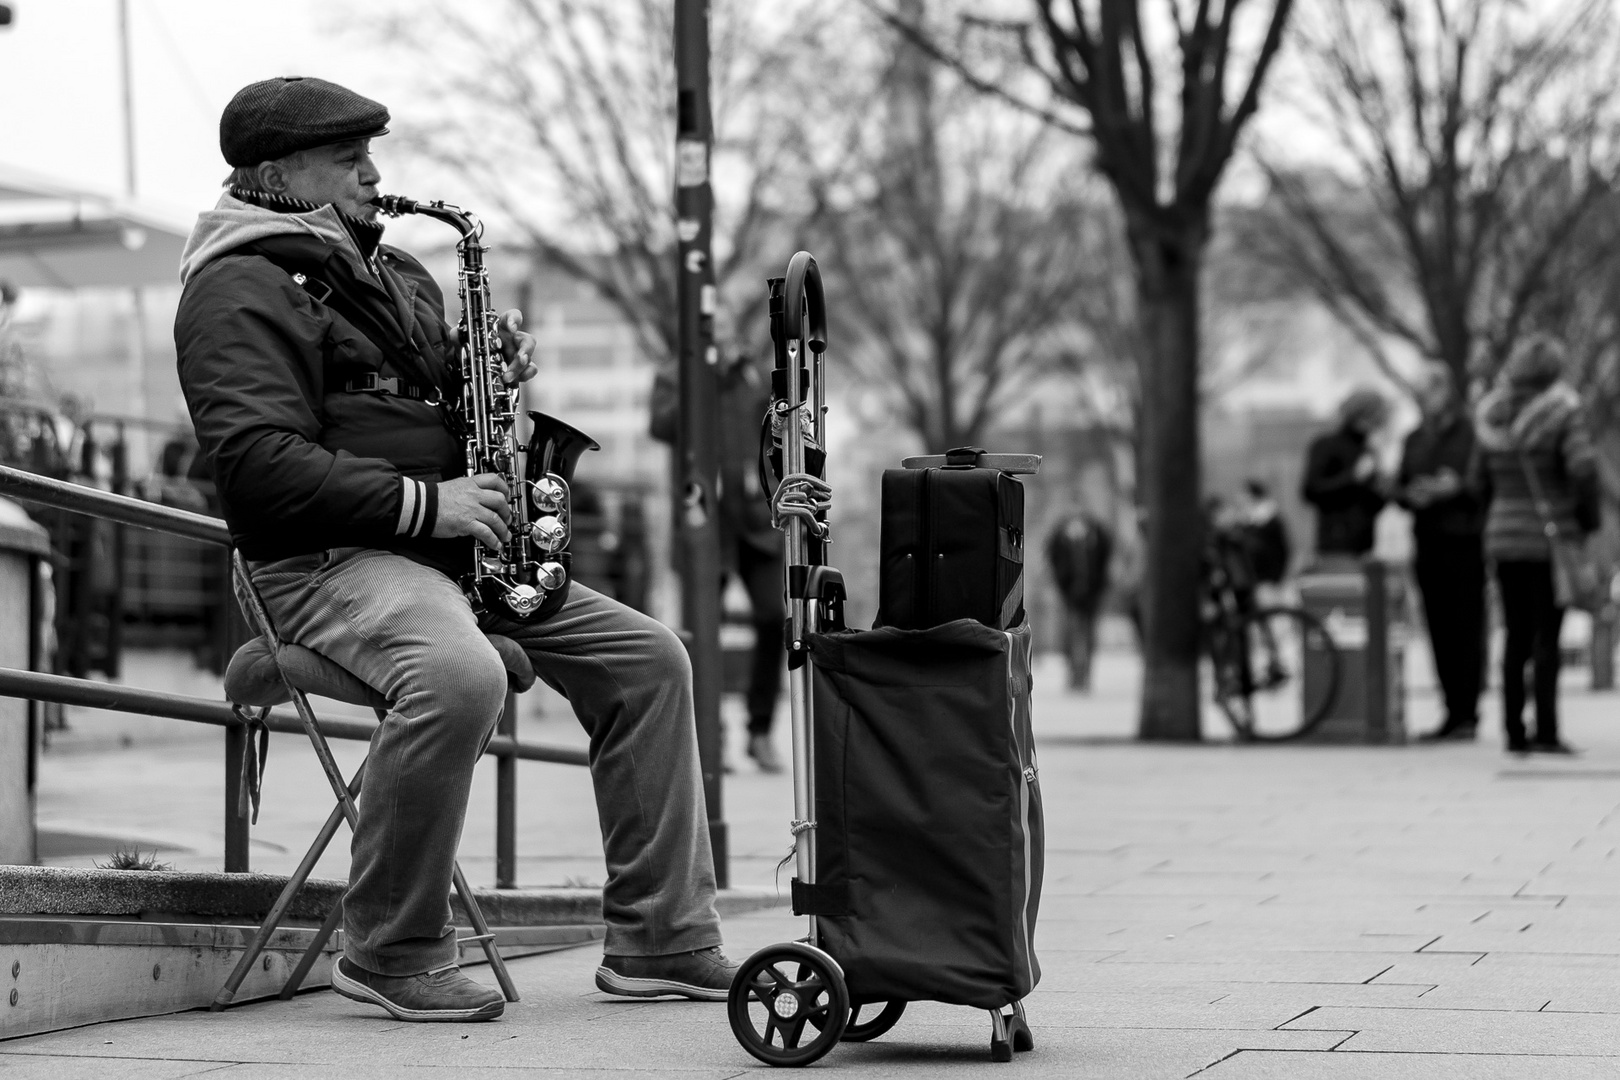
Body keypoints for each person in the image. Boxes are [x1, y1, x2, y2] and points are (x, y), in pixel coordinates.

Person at [175, 77, 734, 1024]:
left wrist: (491, 375)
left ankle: (661, 939)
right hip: (321, 564)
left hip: (444, 554)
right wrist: (425, 504)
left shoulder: (396, 276)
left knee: (651, 661)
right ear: (276, 174)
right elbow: (257, 467)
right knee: (460, 674)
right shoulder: (236, 287)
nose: (374, 174)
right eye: (350, 160)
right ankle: (390, 945)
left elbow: (435, 407)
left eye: (371, 155)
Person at [650, 353, 786, 773]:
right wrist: (702, 382)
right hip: (705, 520)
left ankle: (760, 731)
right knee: (703, 627)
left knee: (773, 618)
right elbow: (662, 426)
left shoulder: (750, 374)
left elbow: (777, 431)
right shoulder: (675, 374)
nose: (722, 334)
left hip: (754, 520)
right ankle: (712, 737)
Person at [1472, 335, 1598, 755]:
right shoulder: (1564, 413)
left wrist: (1498, 515)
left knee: (1514, 633)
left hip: (1503, 535)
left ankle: (1512, 731)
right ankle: (1545, 730)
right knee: (1547, 634)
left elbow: (1478, 481)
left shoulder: (1491, 414)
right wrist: (1585, 520)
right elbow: (1582, 469)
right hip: (1550, 536)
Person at [1397, 362, 1486, 742]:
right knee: (1437, 627)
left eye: (1427, 390)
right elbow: (1401, 485)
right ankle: (1451, 708)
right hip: (1427, 537)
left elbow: (1484, 484)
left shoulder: (1472, 434)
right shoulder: (1413, 438)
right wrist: (1410, 494)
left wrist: (1457, 489)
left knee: (1467, 625)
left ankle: (1468, 711)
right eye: (1417, 392)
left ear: (1445, 390)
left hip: (1465, 539)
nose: (1422, 398)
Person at [1302, 388, 1389, 560]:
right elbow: (1311, 490)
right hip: (1334, 544)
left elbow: (1372, 505)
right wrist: (1353, 477)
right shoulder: (1326, 445)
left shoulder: (1369, 451)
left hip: (1365, 545)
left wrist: (1383, 488)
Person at [1045, 508, 1114, 691]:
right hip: (1070, 592)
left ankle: (1085, 676)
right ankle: (1074, 675)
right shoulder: (1061, 534)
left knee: (1088, 634)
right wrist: (1062, 581)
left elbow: (1106, 557)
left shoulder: (1097, 534)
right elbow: (1053, 556)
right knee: (1071, 633)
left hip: (1092, 592)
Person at [1237, 478, 1291, 591]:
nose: (1239, 498)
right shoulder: (1247, 519)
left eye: (1243, 494)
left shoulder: (1269, 519)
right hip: (1256, 575)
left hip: (1269, 575)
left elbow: (1280, 549)